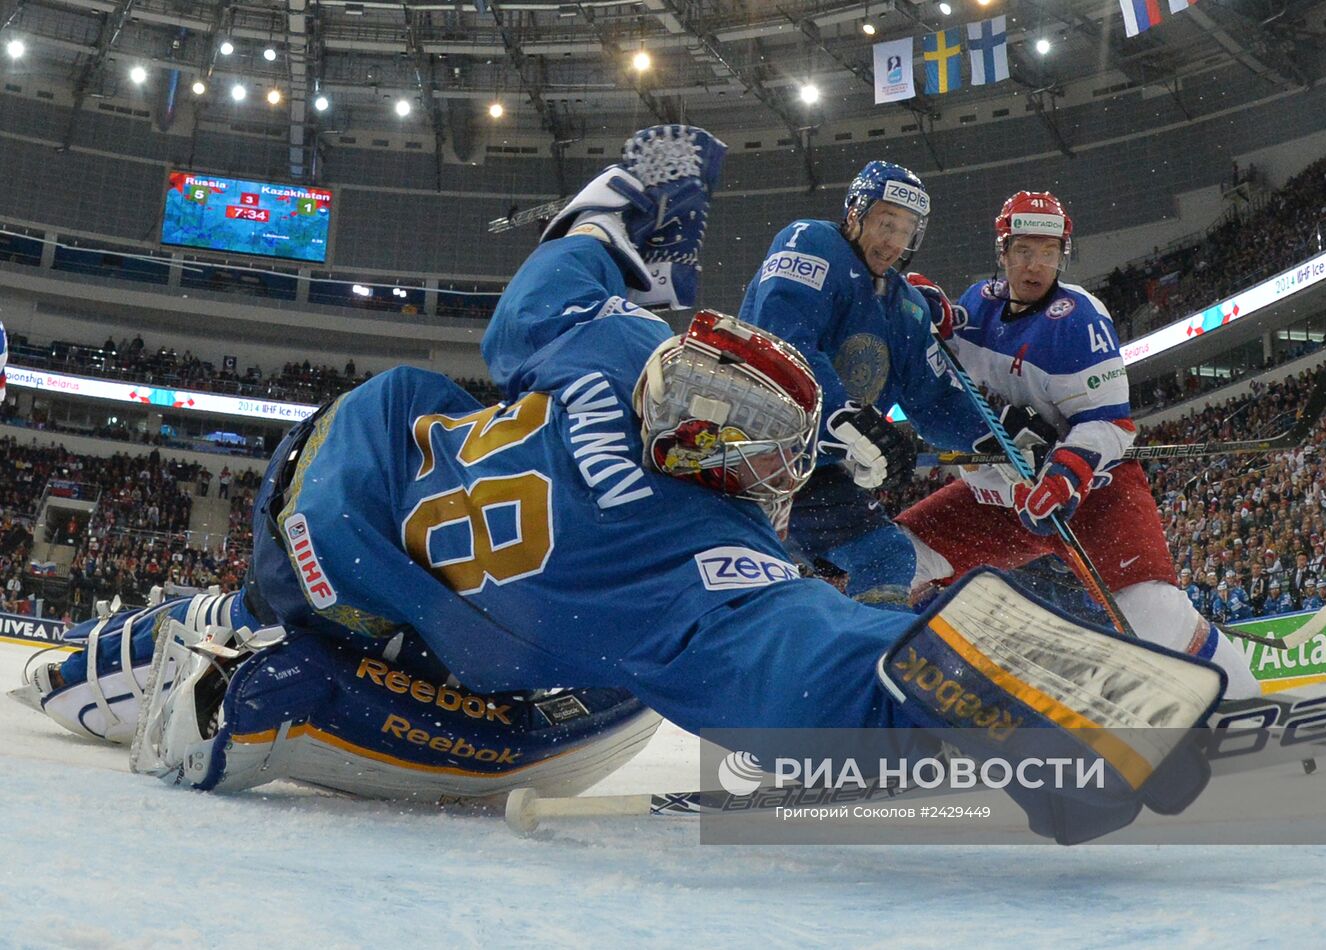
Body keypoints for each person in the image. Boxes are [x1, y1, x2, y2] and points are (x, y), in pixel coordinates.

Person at [16, 127, 1223, 846]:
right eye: (768, 450)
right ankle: (237, 691)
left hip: (349, 456)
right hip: (388, 612)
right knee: (568, 714)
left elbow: (561, 269)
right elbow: (804, 670)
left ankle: (107, 661)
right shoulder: (693, 557)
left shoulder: (610, 346)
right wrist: (976, 686)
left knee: (453, 563)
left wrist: (650, 203)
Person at [893, 190, 1261, 699]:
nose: (1035, 265)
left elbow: (1111, 425)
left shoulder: (1081, 320)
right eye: (1023, 251)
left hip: (1093, 495)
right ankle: (939, 702)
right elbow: (952, 343)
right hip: (1003, 498)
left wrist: (1065, 476)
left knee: (1151, 612)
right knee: (895, 560)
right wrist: (933, 315)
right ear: (1002, 251)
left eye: (1048, 253)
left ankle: (1246, 703)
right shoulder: (980, 300)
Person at [738, 161, 983, 607]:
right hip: (747, 451)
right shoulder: (811, 242)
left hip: (811, 471)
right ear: (855, 213)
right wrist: (842, 415)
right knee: (737, 577)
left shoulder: (907, 305)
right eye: (885, 223)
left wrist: (991, 434)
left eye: (905, 231)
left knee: (888, 556)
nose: (893, 242)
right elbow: (781, 340)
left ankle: (864, 662)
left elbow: (931, 400)